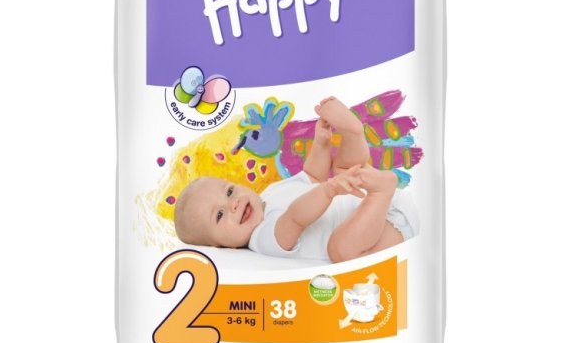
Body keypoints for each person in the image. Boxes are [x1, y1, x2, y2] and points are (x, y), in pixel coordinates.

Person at [173, 97, 419, 262]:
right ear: (219, 247)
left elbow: (312, 176)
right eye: (219, 215)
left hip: (371, 206)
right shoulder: (261, 239)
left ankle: (352, 132)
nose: (233, 204)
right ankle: (381, 191)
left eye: (229, 192)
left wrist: (321, 142)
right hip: (387, 229)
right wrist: (328, 191)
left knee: (346, 171)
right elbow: (295, 218)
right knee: (340, 249)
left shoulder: (270, 192)